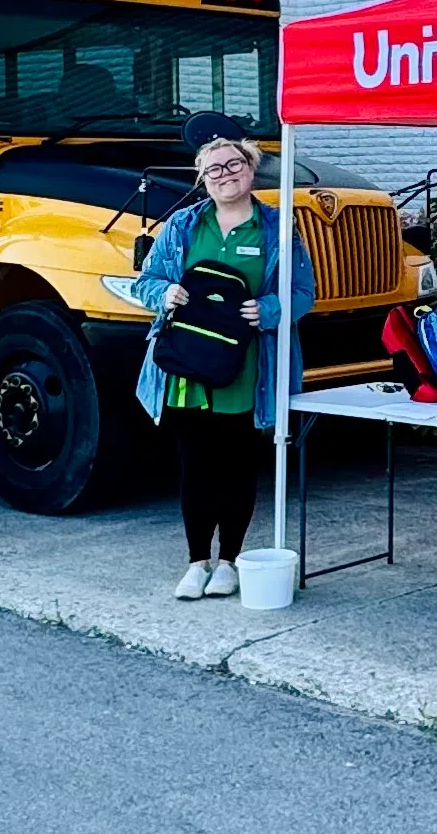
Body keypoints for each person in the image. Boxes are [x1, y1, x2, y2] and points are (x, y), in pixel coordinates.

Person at [134, 136, 315, 601]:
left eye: (234, 165)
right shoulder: (182, 226)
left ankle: (231, 561)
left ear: (251, 171)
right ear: (202, 179)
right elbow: (147, 281)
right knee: (195, 467)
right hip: (186, 369)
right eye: (214, 169)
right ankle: (197, 562)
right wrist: (163, 294)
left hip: (247, 367)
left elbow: (304, 293)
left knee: (236, 466)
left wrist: (271, 310)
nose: (225, 174)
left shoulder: (276, 228)